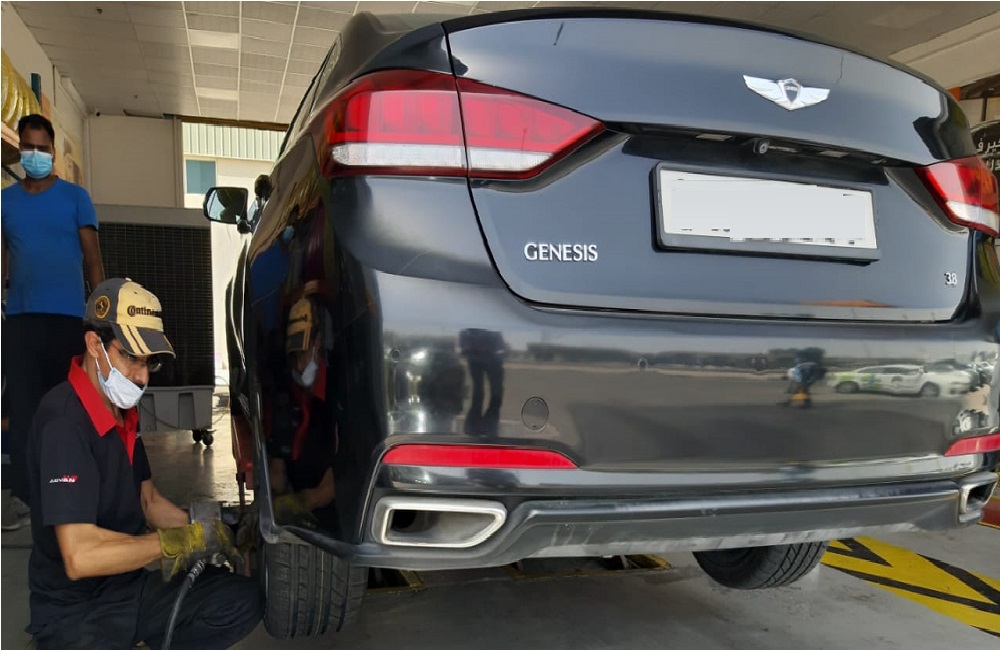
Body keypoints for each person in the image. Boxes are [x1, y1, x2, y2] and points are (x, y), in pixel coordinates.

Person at [25, 278, 262, 649]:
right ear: (94, 344)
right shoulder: (63, 422)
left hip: (130, 589)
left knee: (241, 600)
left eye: (148, 362)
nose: (141, 376)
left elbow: (148, 501)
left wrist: (210, 532)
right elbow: (80, 556)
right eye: (129, 357)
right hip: (75, 611)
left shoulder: (124, 414)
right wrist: (173, 543)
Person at [2, 113, 106, 530]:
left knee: (69, 406)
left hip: (68, 321)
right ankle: (25, 497)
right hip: (21, 320)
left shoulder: (76, 198)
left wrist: (100, 316)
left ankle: (73, 490)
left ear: (52, 153)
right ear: (20, 149)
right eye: (29, 147)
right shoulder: (6, 202)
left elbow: (93, 260)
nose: (36, 154)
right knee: (24, 409)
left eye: (42, 149)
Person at [267, 296, 338, 529]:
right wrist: (271, 505)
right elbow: (277, 469)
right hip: (301, 521)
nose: (299, 366)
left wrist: (297, 504)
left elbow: (331, 488)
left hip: (335, 522)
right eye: (295, 356)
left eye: (304, 353)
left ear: (319, 343)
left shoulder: (339, 398)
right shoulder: (287, 396)